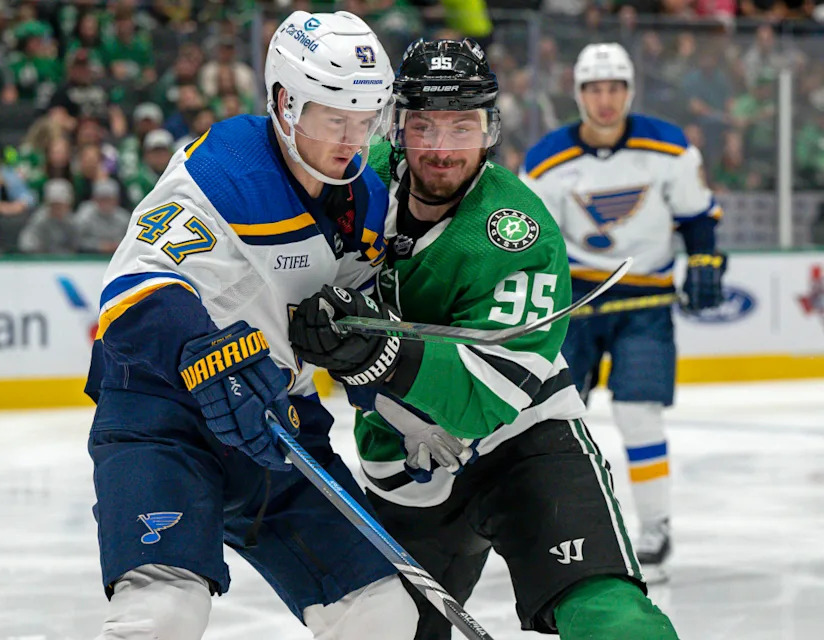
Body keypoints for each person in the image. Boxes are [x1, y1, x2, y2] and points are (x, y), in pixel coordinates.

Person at [289, 39, 678, 639]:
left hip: (524, 445)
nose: (442, 150)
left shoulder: (515, 230)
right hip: (401, 465)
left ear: (490, 130)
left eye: (463, 127)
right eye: (424, 127)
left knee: (610, 616)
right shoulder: (352, 185)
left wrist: (375, 355)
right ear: (396, 126)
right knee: (383, 630)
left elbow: (486, 402)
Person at [84, 11, 419, 640]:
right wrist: (212, 356)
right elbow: (133, 290)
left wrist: (368, 356)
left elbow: (356, 313)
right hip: (166, 424)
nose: (353, 139)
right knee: (163, 613)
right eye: (335, 117)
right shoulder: (222, 170)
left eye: (365, 118)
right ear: (286, 102)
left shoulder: (367, 196)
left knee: (383, 613)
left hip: (278, 427)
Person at [521, 42, 726, 583]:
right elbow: (529, 235)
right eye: (594, 89)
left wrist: (705, 259)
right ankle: (559, 529)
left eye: (614, 89)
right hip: (575, 301)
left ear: (629, 92)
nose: (605, 101)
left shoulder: (669, 147)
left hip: (645, 302)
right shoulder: (546, 158)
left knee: (639, 413)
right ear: (579, 94)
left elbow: (698, 216)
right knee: (558, 417)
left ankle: (655, 527)